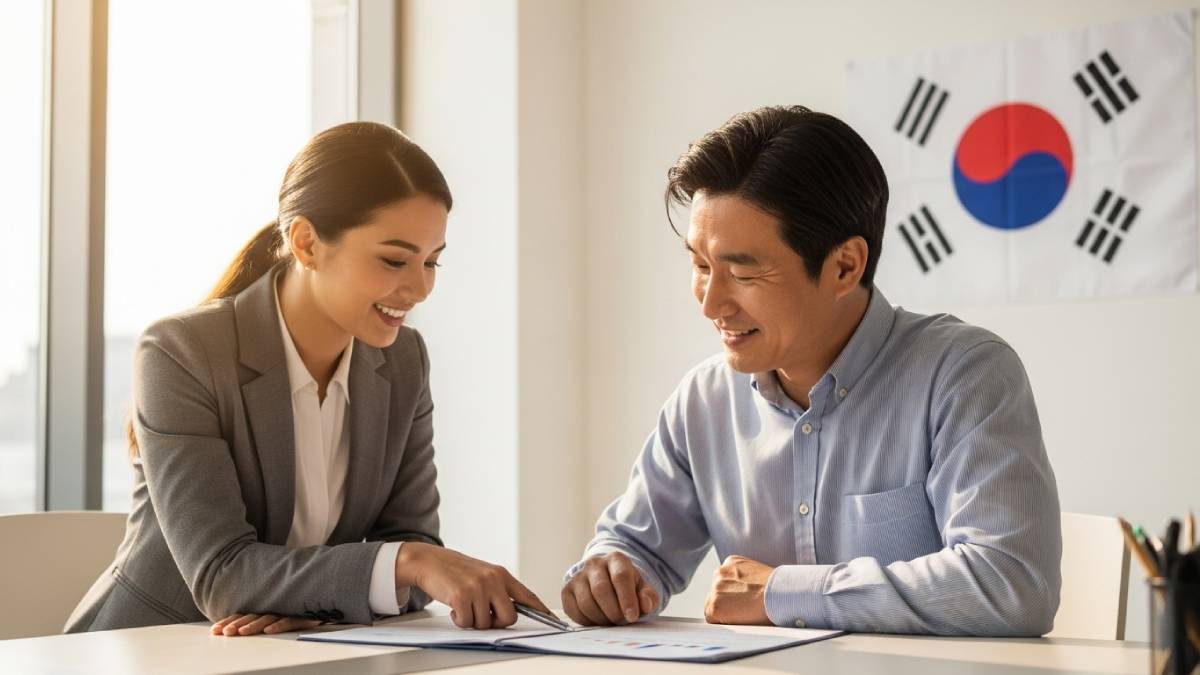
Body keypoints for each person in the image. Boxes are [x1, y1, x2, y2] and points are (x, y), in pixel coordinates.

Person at [561, 105, 1062, 636]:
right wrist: (609, 575)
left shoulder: (965, 374)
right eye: (701, 266)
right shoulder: (704, 401)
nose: (711, 303)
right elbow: (636, 549)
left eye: (742, 272)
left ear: (845, 265)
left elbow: (1012, 584)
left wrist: (783, 592)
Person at [66, 122, 552, 635]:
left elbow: (412, 545)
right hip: (150, 648)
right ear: (307, 243)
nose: (420, 288)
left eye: (432, 261)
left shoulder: (404, 360)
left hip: (299, 650)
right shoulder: (181, 352)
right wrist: (400, 565)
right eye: (394, 260)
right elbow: (221, 576)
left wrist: (313, 596)